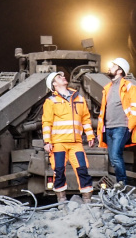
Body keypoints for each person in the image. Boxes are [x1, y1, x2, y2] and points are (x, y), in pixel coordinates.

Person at [41, 70, 96, 203]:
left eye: (62, 76)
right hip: (58, 143)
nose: (63, 77)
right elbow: (46, 122)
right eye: (59, 77)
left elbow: (85, 119)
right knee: (59, 171)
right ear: (54, 84)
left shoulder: (79, 99)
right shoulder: (51, 101)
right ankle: (62, 201)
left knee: (83, 169)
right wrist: (47, 141)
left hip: (76, 143)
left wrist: (90, 136)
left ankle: (87, 200)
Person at [97, 57, 136, 189]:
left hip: (121, 127)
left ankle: (122, 182)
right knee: (113, 157)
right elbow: (104, 111)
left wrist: (129, 127)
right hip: (110, 128)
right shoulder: (108, 88)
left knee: (115, 155)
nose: (109, 68)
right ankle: (120, 182)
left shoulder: (130, 88)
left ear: (119, 70)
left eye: (112, 66)